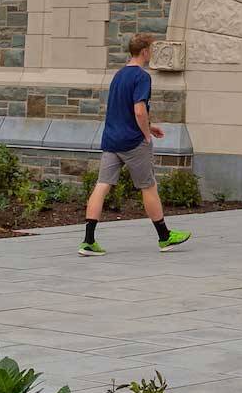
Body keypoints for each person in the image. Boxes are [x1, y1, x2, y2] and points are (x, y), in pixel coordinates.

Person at [81, 32, 189, 256]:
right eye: (151, 49)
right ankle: (164, 237)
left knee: (102, 185)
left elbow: (121, 110)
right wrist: (146, 135)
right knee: (148, 186)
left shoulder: (118, 75)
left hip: (112, 140)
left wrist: (150, 127)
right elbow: (138, 110)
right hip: (133, 143)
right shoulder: (142, 77)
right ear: (145, 52)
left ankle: (88, 241)